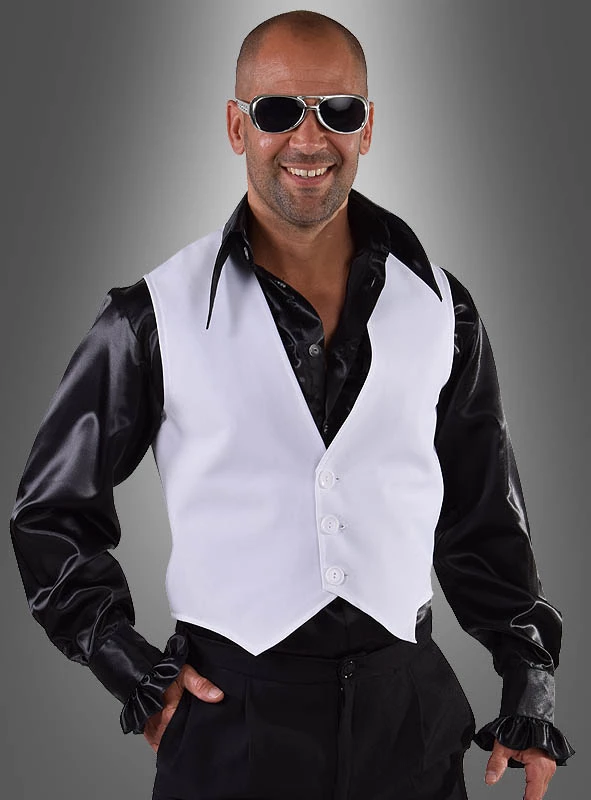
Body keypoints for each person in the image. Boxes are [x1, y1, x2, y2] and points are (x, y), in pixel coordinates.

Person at [9, 10, 574, 800]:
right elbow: (49, 512)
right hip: (231, 722)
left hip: (407, 720)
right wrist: (129, 668)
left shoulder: (442, 308)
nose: (309, 138)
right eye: (277, 111)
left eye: (337, 110)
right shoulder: (153, 316)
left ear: (367, 126)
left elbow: (484, 517)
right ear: (235, 126)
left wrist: (528, 681)